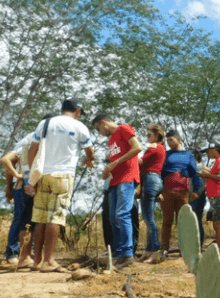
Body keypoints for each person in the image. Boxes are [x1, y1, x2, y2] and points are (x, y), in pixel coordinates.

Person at [27, 99, 94, 273]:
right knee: (55, 217)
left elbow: (32, 150)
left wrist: (33, 177)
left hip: (42, 175)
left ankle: (37, 261)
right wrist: (89, 159)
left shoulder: (45, 123)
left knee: (40, 218)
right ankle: (49, 261)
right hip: (63, 176)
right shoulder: (79, 127)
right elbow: (90, 151)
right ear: (77, 111)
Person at [92, 113, 142, 269]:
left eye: (98, 129)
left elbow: (137, 148)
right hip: (114, 181)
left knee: (122, 214)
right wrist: (108, 171)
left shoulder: (124, 129)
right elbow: (115, 162)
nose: (99, 133)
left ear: (103, 122)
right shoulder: (111, 140)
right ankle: (120, 255)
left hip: (127, 178)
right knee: (113, 218)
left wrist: (114, 164)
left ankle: (128, 254)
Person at [0, 126, 47, 268]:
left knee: (31, 220)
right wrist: (11, 184)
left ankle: (28, 253)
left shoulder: (46, 144)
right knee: (21, 219)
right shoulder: (27, 144)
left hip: (36, 187)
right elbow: (8, 162)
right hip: (22, 187)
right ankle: (12, 252)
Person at [159, 130, 200, 259]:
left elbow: (195, 173)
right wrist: (158, 191)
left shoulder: (188, 155)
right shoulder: (165, 154)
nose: (169, 142)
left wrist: (196, 190)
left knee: (183, 221)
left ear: (178, 139)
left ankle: (184, 250)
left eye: (171, 139)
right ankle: (164, 249)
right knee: (167, 221)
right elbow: (158, 173)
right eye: (167, 140)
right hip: (167, 192)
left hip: (183, 193)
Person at [199, 142, 220, 257]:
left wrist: (207, 175)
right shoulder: (218, 161)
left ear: (214, 149)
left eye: (208, 151)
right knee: (216, 223)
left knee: (218, 223)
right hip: (214, 196)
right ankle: (219, 250)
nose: (207, 154)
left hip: (219, 195)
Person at [137, 124, 166, 263]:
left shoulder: (154, 146)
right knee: (149, 218)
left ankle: (155, 252)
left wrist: (131, 158)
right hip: (156, 180)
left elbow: (141, 163)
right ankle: (149, 251)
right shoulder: (162, 148)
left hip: (149, 179)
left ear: (156, 135)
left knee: (149, 219)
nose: (147, 137)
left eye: (149, 134)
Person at [189, 149, 208, 244]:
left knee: (197, 221)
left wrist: (197, 193)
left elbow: (202, 184)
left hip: (197, 198)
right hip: (192, 198)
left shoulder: (199, 167)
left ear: (196, 156)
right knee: (193, 222)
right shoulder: (192, 168)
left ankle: (198, 245)